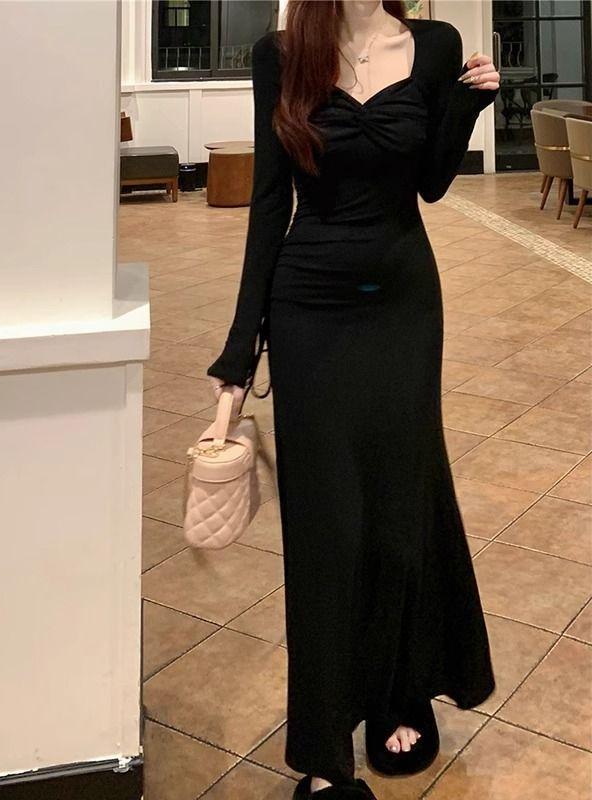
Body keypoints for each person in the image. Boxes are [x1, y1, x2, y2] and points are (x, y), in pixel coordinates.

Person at [205, 2, 500, 798]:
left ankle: (400, 691)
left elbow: (431, 183)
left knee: (401, 506)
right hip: (310, 310)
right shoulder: (280, 54)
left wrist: (466, 107)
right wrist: (241, 346)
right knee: (327, 526)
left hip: (403, 304)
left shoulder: (433, 45)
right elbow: (271, 203)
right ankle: (322, 751)